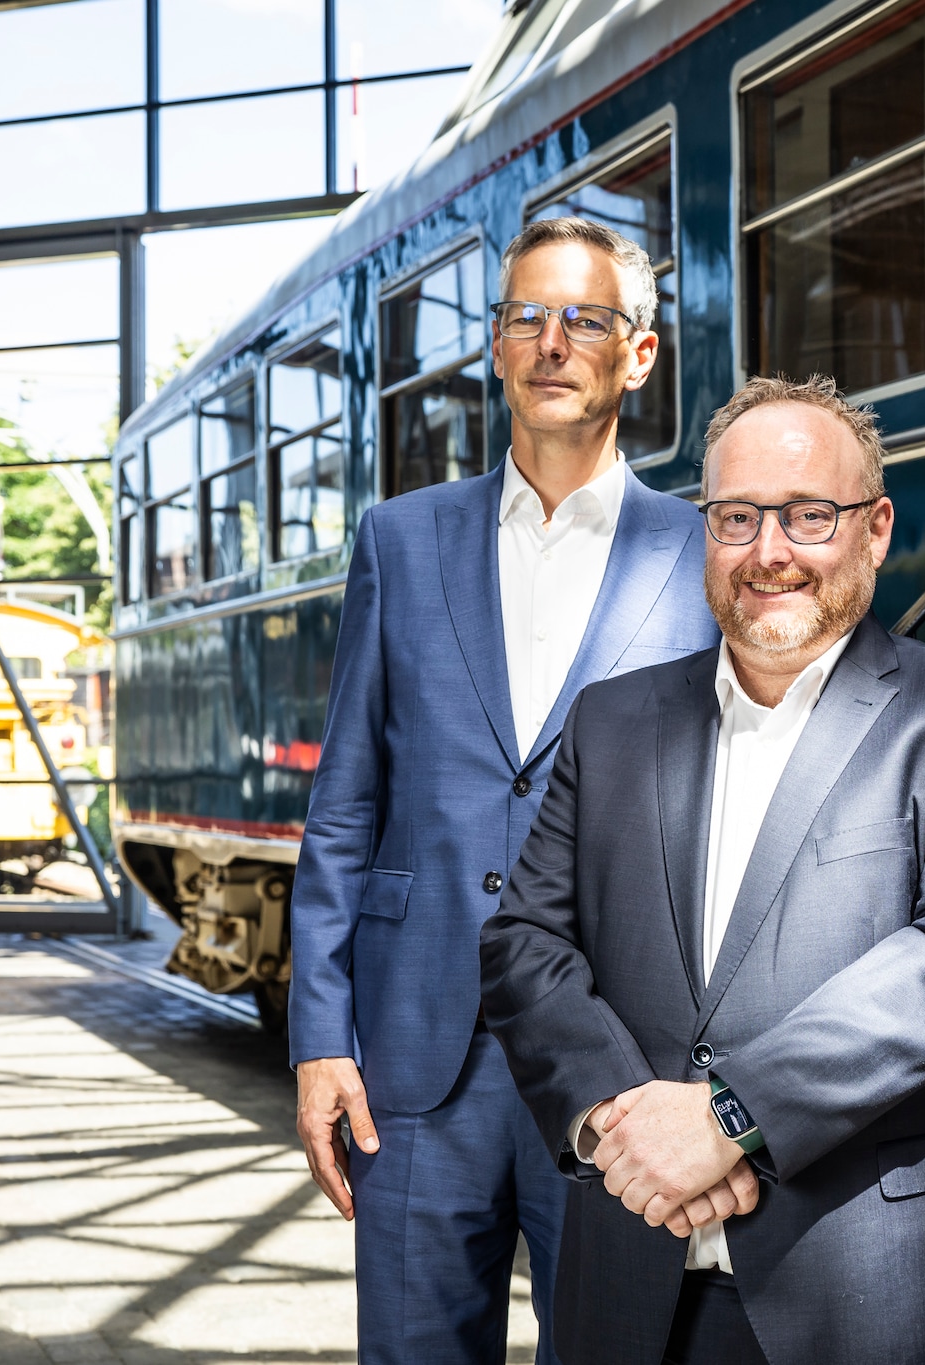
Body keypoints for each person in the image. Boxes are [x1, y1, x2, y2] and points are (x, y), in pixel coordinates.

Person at [477, 375, 925, 1365]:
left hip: (876, 1296)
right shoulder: (611, 724)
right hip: (635, 1282)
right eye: (736, 517)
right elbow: (525, 942)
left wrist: (727, 1119)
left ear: (873, 530)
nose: (769, 552)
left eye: (808, 515)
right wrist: (631, 1134)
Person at [288, 217, 720, 1364]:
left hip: (615, 1062)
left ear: (638, 354)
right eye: (524, 315)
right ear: (494, 346)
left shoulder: (699, 553)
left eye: (583, 318)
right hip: (415, 1062)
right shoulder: (400, 538)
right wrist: (319, 1038)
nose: (549, 341)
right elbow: (344, 808)